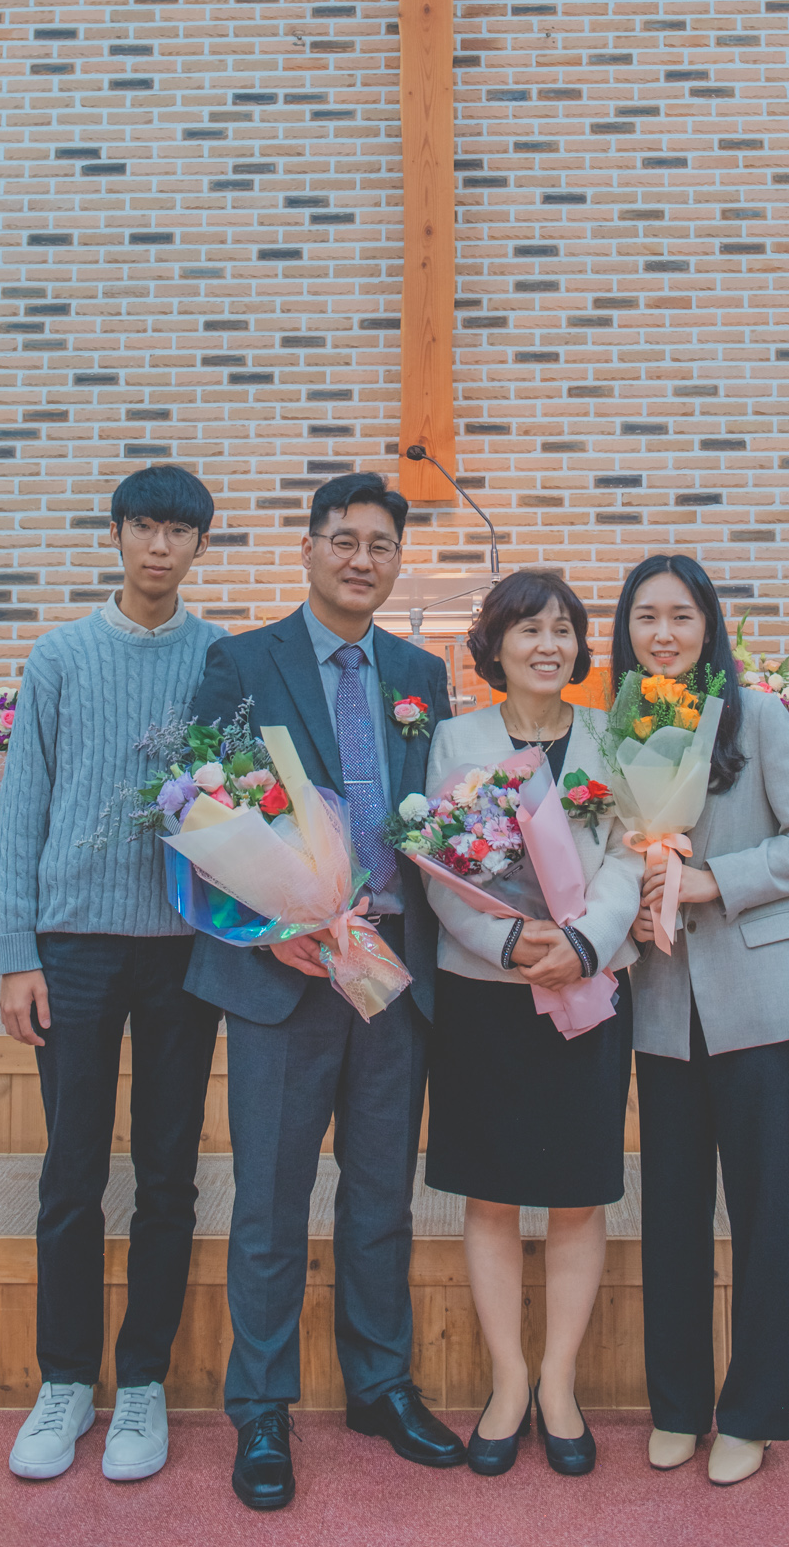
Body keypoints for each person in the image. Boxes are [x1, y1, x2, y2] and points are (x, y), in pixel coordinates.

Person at [183, 471, 465, 1511]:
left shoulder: (420, 672)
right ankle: (260, 1405)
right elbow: (201, 807)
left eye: (380, 544)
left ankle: (379, 1384)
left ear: (397, 562)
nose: (361, 558)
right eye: (342, 539)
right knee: (269, 1198)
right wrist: (275, 927)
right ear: (307, 549)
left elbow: (438, 814)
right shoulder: (241, 659)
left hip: (389, 967)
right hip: (287, 971)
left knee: (381, 1192)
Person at [0, 465, 228, 1484]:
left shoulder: (219, 656)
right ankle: (63, 1379)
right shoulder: (60, 655)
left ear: (200, 545)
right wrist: (17, 955)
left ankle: (142, 1381)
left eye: (179, 531)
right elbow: (23, 811)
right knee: (72, 1169)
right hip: (75, 947)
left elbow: (243, 796)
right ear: (118, 533)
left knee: (168, 1170)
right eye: (144, 526)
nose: (159, 546)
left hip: (181, 944)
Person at [614, 554, 789, 1487]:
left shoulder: (758, 717)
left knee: (757, 1216)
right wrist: (622, 912)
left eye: (680, 615)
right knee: (670, 1215)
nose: (662, 633)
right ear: (625, 630)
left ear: (708, 624)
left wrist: (713, 879)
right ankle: (676, 1407)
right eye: (645, 617)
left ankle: (749, 1413)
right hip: (664, 1004)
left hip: (757, 1000)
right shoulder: (614, 727)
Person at [421, 570, 641, 1479]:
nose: (547, 645)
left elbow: (631, 854)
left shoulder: (609, 737)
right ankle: (507, 1381)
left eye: (562, 630)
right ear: (495, 645)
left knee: (579, 1191)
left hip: (587, 987)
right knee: (491, 1192)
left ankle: (558, 1383)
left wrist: (584, 943)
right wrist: (508, 942)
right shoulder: (455, 739)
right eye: (527, 629)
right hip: (485, 990)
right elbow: (436, 864)